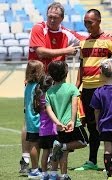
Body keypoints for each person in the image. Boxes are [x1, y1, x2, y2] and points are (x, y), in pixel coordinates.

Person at [20, 2, 81, 173]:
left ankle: (46, 162)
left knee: (51, 120)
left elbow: (84, 41)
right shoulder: (38, 28)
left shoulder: (67, 33)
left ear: (62, 18)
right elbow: (40, 52)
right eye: (50, 17)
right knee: (31, 121)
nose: (52, 20)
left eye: (55, 17)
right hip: (36, 82)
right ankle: (25, 160)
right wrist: (67, 50)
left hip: (54, 84)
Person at [75, 9, 112, 171]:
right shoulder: (83, 42)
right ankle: (92, 161)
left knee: (109, 124)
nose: (87, 25)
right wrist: (77, 87)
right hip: (88, 90)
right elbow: (81, 67)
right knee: (92, 126)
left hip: (104, 89)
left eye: (90, 22)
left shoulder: (109, 40)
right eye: (85, 22)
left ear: (99, 21)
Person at [46, 60, 88, 180]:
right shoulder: (71, 88)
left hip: (60, 126)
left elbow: (49, 110)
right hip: (72, 124)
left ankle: (62, 175)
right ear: (66, 73)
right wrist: (72, 121)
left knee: (64, 151)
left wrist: (57, 122)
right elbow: (74, 105)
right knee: (83, 141)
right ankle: (62, 146)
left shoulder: (49, 91)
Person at [33, 75, 58, 179]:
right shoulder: (50, 97)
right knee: (55, 153)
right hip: (53, 131)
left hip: (43, 131)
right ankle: (53, 174)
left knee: (45, 153)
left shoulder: (39, 97)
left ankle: (44, 174)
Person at [24, 60, 45, 179]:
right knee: (35, 145)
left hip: (30, 120)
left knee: (34, 144)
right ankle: (35, 169)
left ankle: (35, 168)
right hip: (37, 120)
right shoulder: (38, 86)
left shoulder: (28, 85)